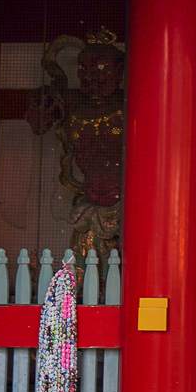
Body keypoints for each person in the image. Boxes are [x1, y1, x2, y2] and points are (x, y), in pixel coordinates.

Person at [25, 28, 125, 282]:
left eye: (101, 70)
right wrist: (40, 105)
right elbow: (39, 121)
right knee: (87, 263)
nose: (91, 78)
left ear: (120, 71)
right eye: (84, 71)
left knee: (123, 265)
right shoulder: (71, 103)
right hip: (86, 201)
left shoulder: (132, 104)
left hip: (128, 203)